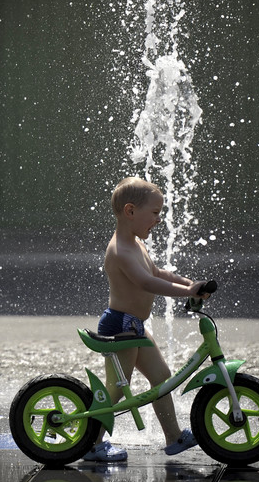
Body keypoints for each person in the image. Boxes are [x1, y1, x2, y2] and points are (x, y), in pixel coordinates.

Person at [85, 177, 210, 463]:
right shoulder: (121, 250)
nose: (158, 219)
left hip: (134, 326)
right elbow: (146, 283)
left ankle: (173, 437)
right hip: (120, 326)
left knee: (161, 379)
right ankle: (91, 443)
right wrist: (185, 293)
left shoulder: (137, 245)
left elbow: (158, 273)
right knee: (117, 387)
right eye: (154, 213)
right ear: (130, 211)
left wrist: (190, 284)